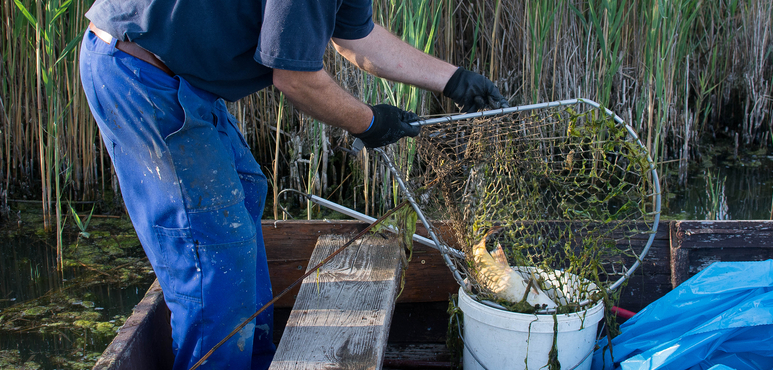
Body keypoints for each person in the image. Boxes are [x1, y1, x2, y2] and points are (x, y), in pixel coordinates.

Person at [79, 1, 508, 369]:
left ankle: (258, 359)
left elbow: (356, 38)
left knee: (247, 191)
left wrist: (452, 79)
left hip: (183, 78)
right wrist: (370, 122)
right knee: (211, 254)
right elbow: (294, 78)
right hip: (138, 71)